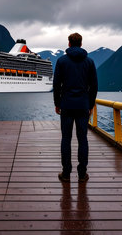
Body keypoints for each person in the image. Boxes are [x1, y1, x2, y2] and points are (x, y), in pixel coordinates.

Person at [53, 32, 98, 182]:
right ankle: (82, 174)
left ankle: (66, 173)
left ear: (69, 44)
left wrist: (57, 103)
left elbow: (56, 84)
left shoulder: (61, 61)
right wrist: (90, 104)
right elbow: (94, 86)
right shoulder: (89, 62)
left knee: (66, 138)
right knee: (82, 139)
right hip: (83, 105)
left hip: (66, 105)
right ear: (81, 43)